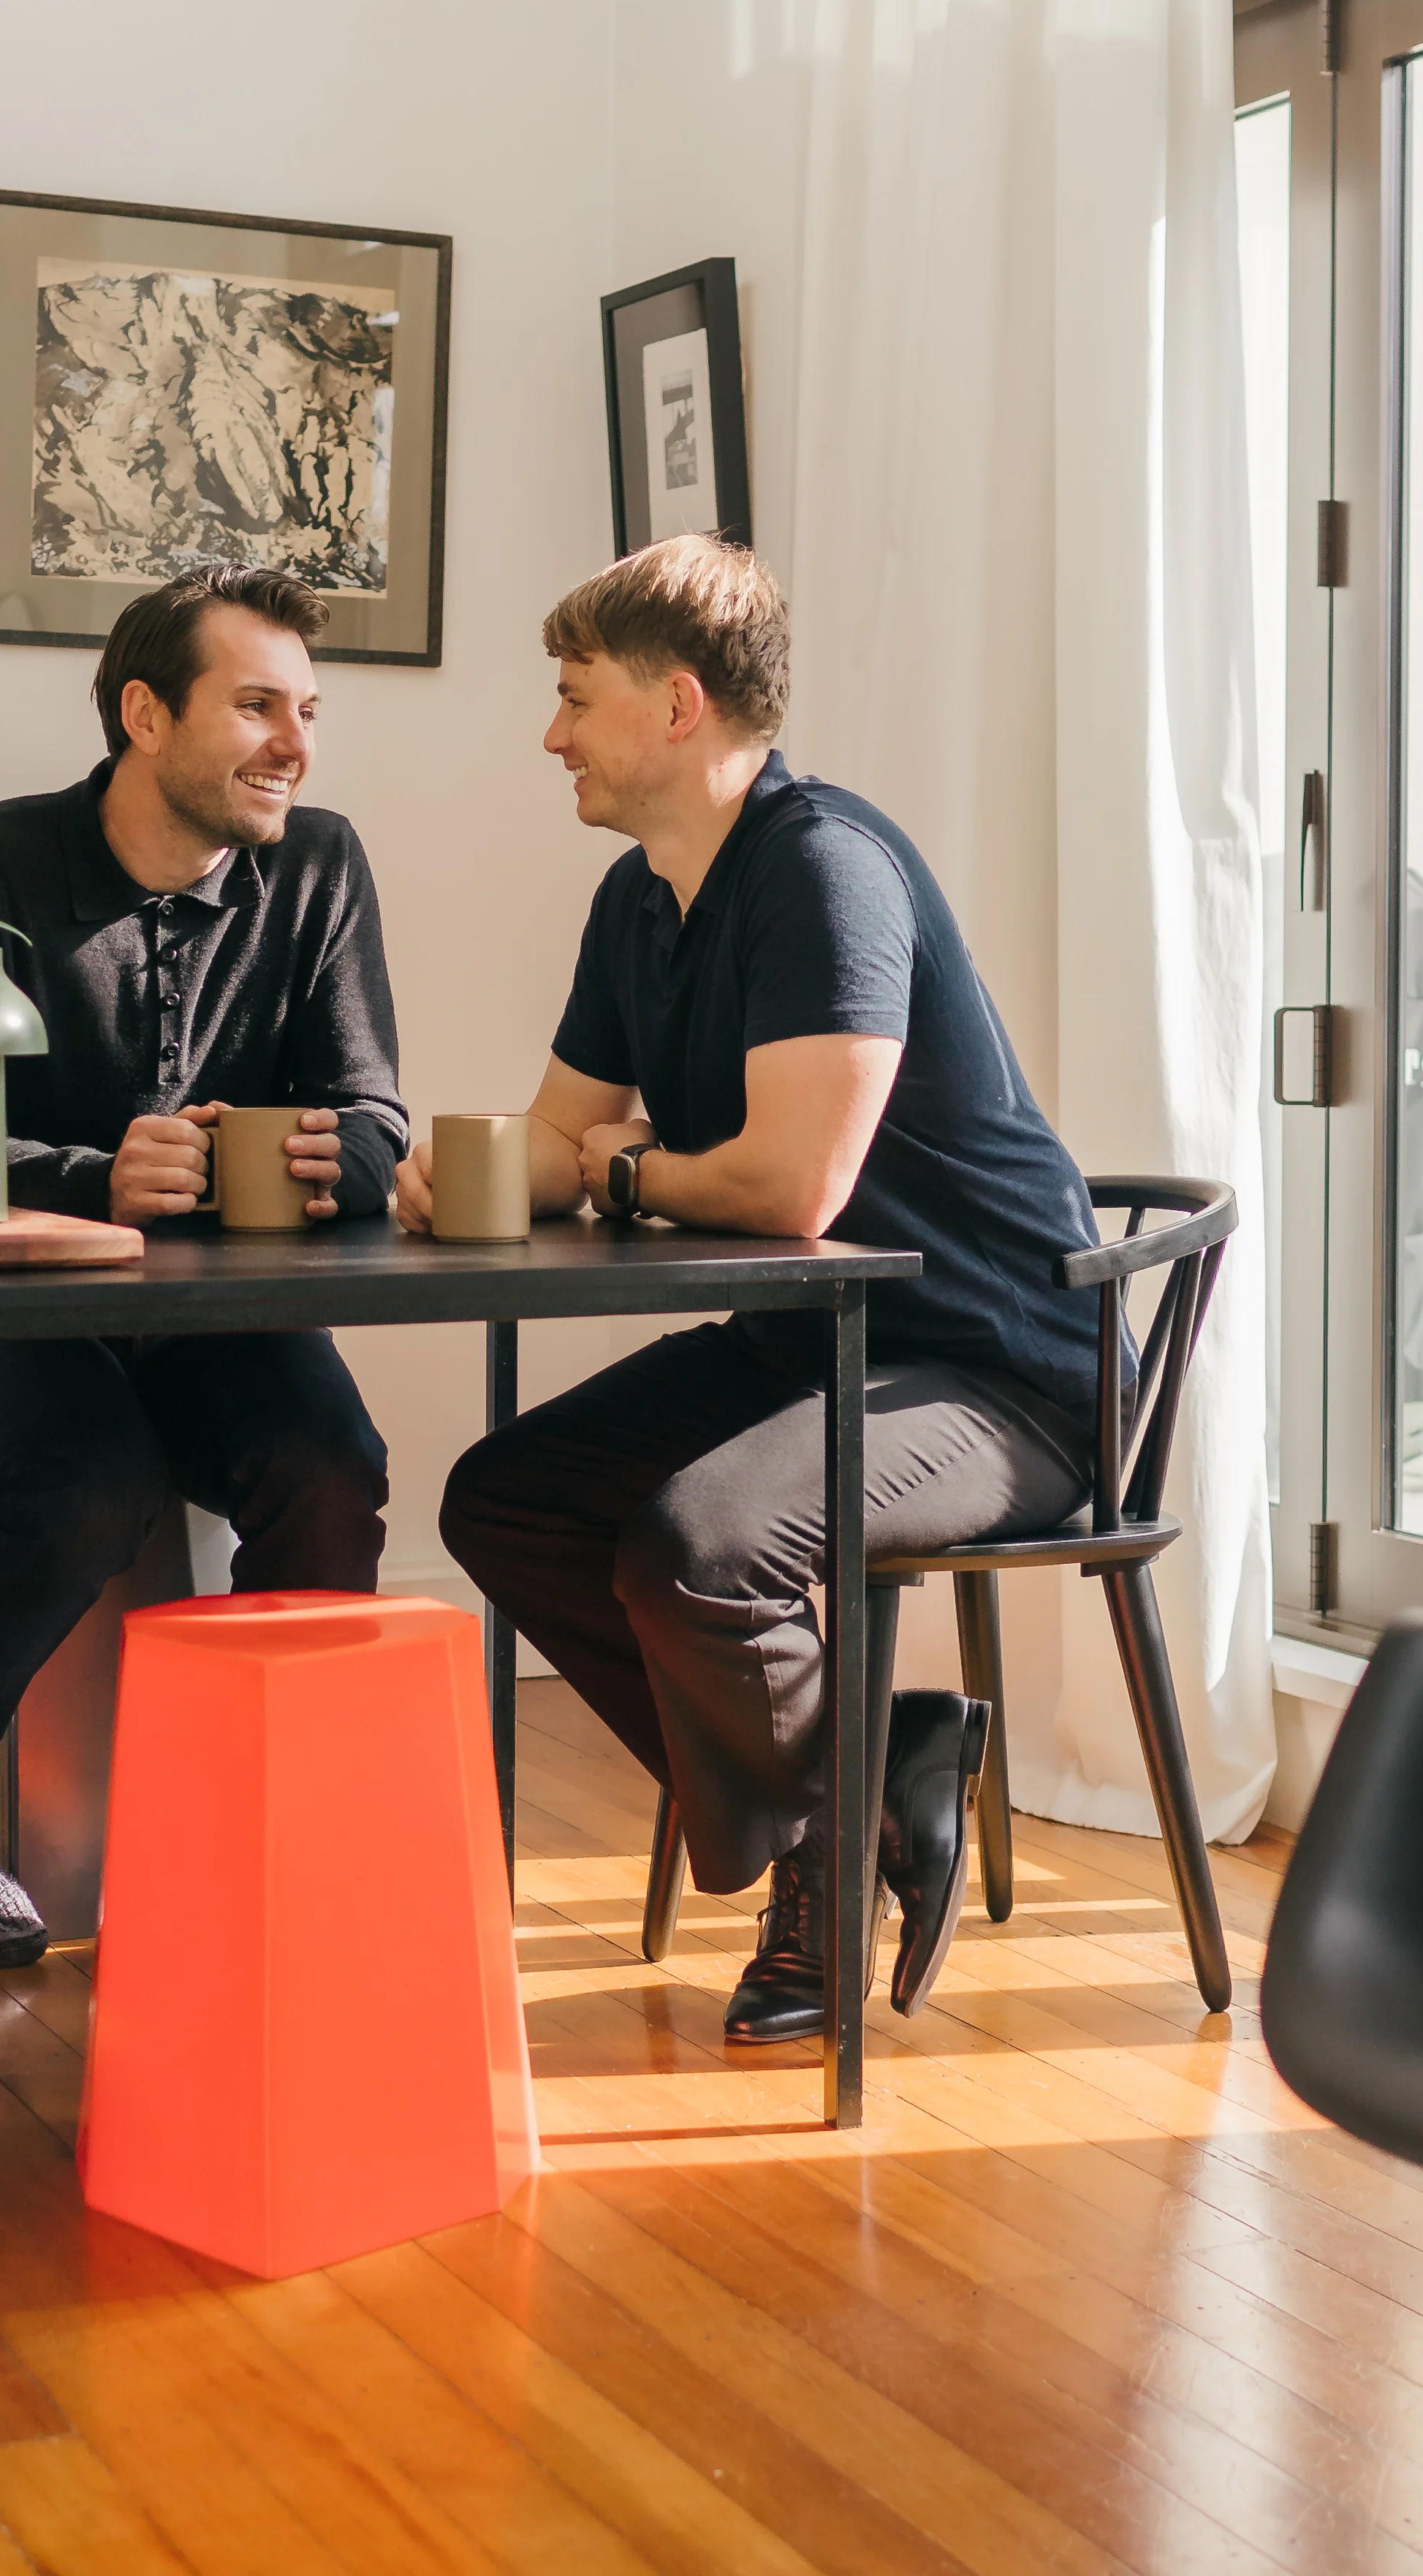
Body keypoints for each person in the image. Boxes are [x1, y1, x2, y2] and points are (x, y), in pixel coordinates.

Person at [419, 536, 1101, 2043]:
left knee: (697, 1549)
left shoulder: (825, 869)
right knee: (505, 1500)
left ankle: (820, 1883)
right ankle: (867, 1792)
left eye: (571, 697)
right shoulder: (639, 901)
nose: (549, 735)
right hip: (813, 1344)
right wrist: (452, 1172)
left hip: (997, 1370)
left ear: (676, 707)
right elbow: (555, 1130)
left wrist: (613, 1174)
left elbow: (794, 1188)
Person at [0, 563, 405, 1967]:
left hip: (221, 1323)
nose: (295, 742)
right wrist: (103, 1174)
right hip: (5, 1319)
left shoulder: (323, 863)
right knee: (87, 1484)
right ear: (144, 715)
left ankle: (266, 1822)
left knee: (332, 1471)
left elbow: (377, 1121)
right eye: (257, 706)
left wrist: (289, 1157)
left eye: (307, 709)